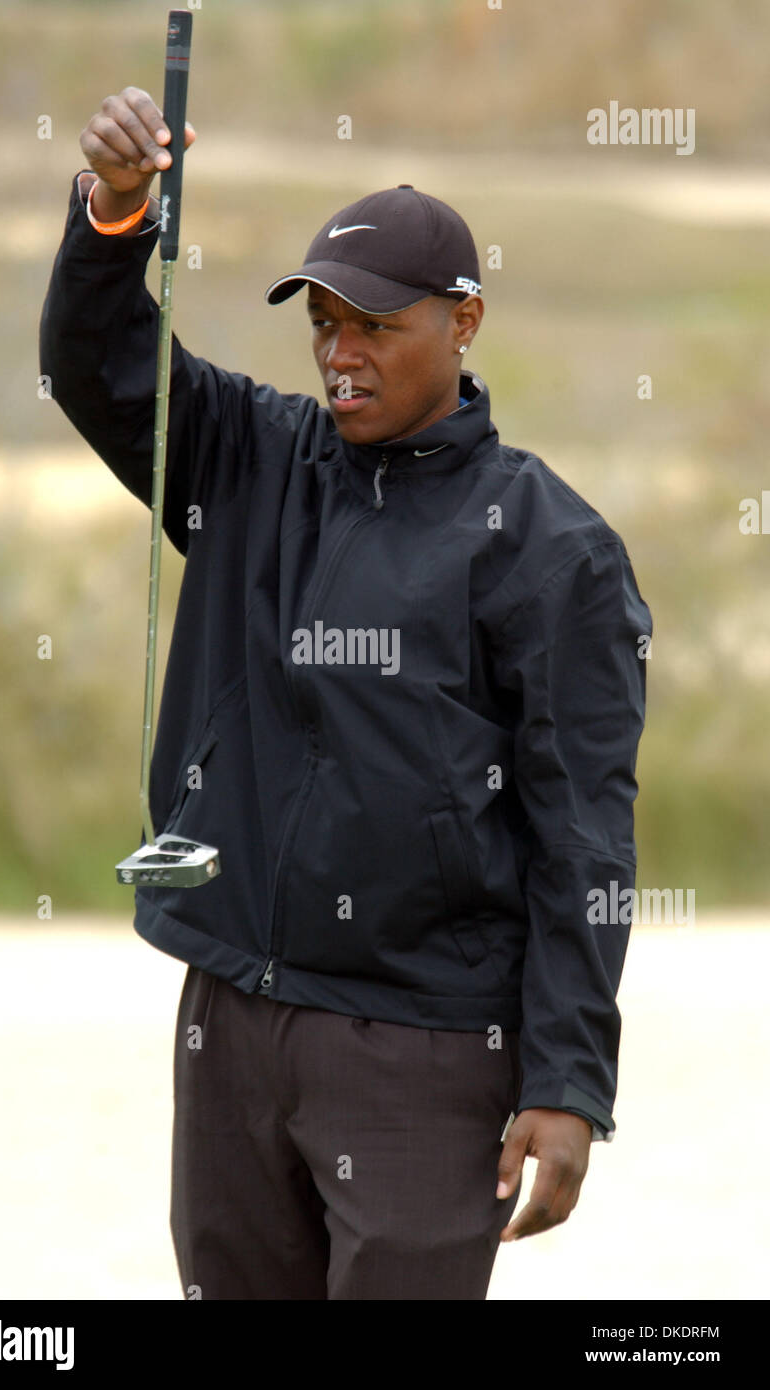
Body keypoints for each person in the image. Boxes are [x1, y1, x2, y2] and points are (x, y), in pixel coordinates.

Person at [39, 87, 652, 1301]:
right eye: (322, 322)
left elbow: (584, 834)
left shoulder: (549, 547)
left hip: (427, 1045)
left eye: (373, 325)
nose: (338, 352)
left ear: (464, 319)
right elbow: (96, 368)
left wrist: (565, 1080)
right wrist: (114, 217)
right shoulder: (247, 457)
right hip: (233, 1021)